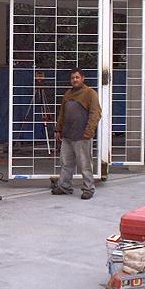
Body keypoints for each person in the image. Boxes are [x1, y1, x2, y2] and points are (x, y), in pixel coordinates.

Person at [52, 68, 102, 200]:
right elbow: (62, 113)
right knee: (66, 164)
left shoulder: (90, 93)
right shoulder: (68, 94)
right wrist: (58, 129)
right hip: (67, 135)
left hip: (82, 136)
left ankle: (88, 189)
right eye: (72, 78)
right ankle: (64, 187)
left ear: (82, 78)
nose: (75, 80)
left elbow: (96, 113)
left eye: (77, 77)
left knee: (85, 165)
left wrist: (89, 131)